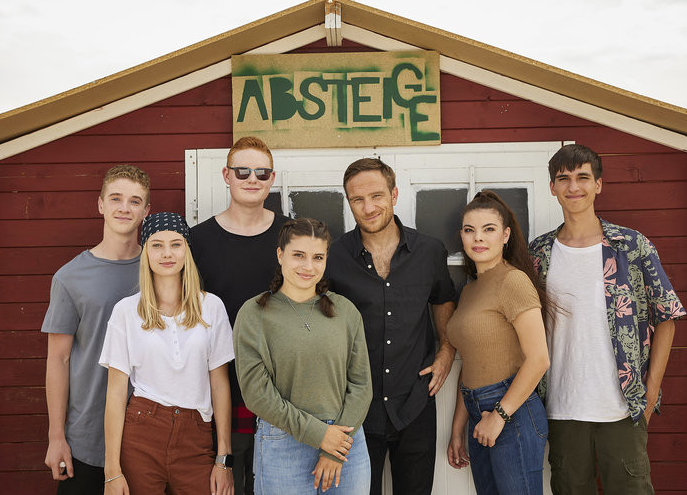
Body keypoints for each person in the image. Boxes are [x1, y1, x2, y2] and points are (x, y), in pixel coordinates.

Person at [529, 144, 685, 495]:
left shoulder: (631, 245)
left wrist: (650, 392)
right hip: (562, 407)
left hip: (623, 407)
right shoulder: (539, 253)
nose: (573, 187)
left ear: (598, 184)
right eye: (563, 178)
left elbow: (667, 316)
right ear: (552, 187)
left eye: (583, 177)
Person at [325, 158, 458, 495]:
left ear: (394, 194)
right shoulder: (333, 257)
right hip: (354, 409)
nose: (368, 208)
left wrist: (446, 350)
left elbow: (443, 299)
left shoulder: (429, 251)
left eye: (376, 196)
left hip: (415, 401)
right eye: (357, 199)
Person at [100, 212, 235, 495]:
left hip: (196, 435)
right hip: (141, 433)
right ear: (145, 252)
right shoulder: (126, 311)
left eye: (176, 244)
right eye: (157, 245)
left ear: (187, 250)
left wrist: (224, 459)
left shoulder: (211, 307)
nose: (167, 254)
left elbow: (219, 384)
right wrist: (112, 470)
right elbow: (115, 392)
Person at [234, 218, 372, 494]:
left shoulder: (345, 311)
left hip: (346, 442)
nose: (308, 266)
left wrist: (334, 448)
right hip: (283, 443)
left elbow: (361, 385)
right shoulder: (254, 313)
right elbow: (257, 394)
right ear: (280, 255)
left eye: (318, 257)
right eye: (299, 255)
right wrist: (321, 435)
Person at [191, 136, 290, 495]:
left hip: (282, 386)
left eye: (261, 173)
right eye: (242, 171)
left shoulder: (293, 236)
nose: (252, 179)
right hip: (220, 386)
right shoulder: (197, 240)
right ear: (226, 175)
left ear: (271, 178)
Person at [42, 164, 151, 494]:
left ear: (146, 211)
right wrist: (56, 437)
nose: (124, 208)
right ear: (100, 204)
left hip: (151, 437)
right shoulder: (70, 277)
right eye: (116, 198)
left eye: (134, 201)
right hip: (87, 439)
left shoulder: (161, 268)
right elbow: (58, 360)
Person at [446, 191, 550, 495]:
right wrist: (457, 429)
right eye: (469, 230)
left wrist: (500, 415)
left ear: (505, 235)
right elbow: (470, 362)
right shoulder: (470, 291)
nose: (478, 237)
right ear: (462, 236)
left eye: (488, 229)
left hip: (512, 412)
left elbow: (539, 359)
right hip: (477, 412)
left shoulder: (513, 281)